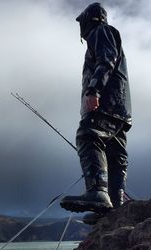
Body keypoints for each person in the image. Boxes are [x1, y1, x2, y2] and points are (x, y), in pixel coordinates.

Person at [60, 2, 132, 223]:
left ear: (89, 20)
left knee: (88, 136)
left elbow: (106, 59)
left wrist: (93, 90)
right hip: (120, 110)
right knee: (115, 156)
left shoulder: (102, 32)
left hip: (107, 104)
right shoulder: (109, 34)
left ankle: (98, 191)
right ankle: (114, 206)